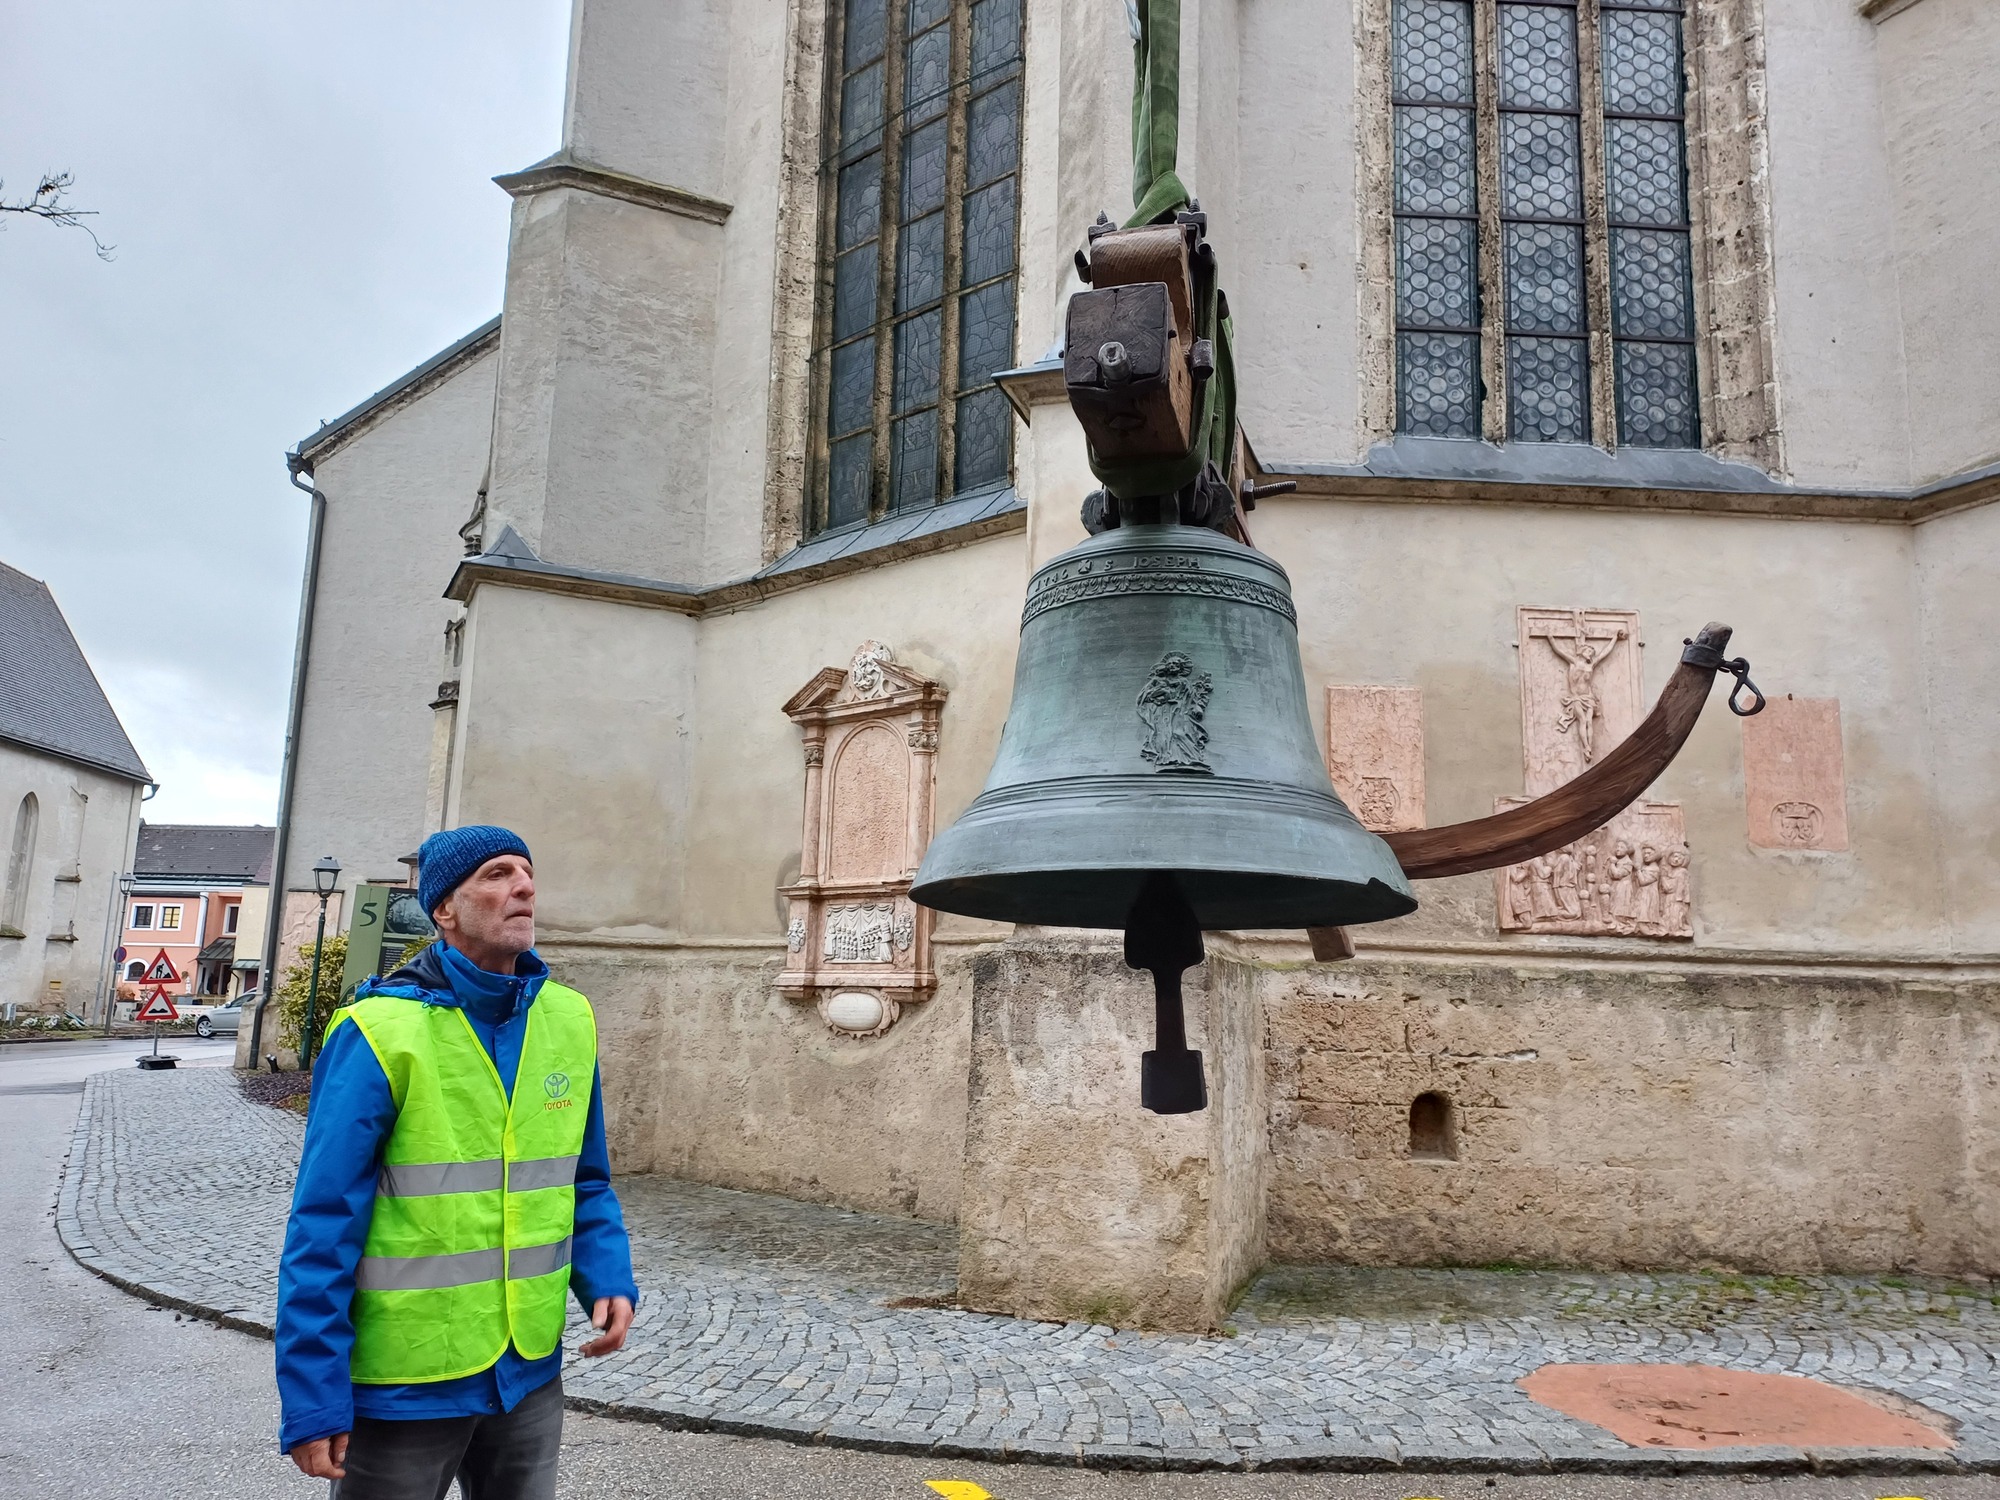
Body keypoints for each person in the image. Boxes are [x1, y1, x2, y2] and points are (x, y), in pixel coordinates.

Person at [276, 825, 638, 1499]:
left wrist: (606, 1275)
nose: (524, 886)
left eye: (527, 872)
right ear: (443, 908)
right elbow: (322, 1223)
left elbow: (582, 1178)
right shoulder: (379, 1030)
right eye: (497, 874)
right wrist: (313, 1393)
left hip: (526, 1372)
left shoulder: (569, 1019)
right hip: (404, 1386)